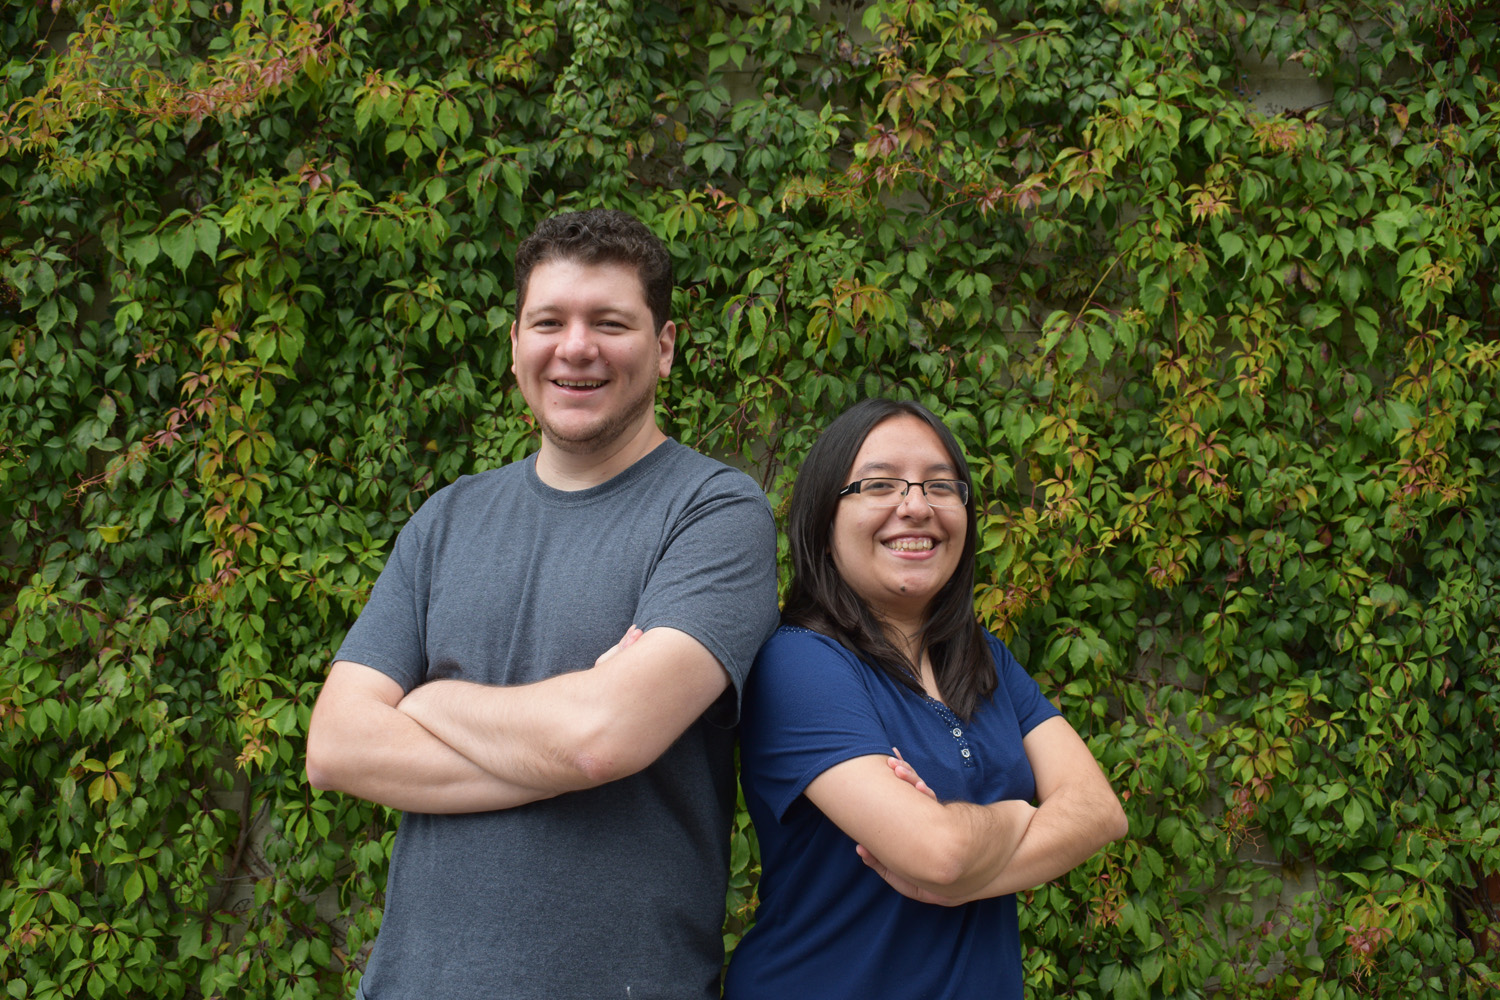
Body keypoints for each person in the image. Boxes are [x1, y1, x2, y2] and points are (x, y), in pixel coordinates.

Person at [304, 208, 780, 1000]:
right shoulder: (446, 518)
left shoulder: (715, 513)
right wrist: (560, 741)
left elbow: (598, 740)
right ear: (516, 345)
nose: (576, 347)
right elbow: (336, 746)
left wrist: (429, 699)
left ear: (665, 347)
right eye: (549, 321)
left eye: (610, 322)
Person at [723, 398, 1128, 1000]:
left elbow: (1099, 811)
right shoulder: (798, 664)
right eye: (880, 484)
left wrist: (966, 870)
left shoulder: (983, 658)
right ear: (823, 517)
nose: (916, 506)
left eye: (941, 486)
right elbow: (934, 851)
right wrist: (1021, 815)